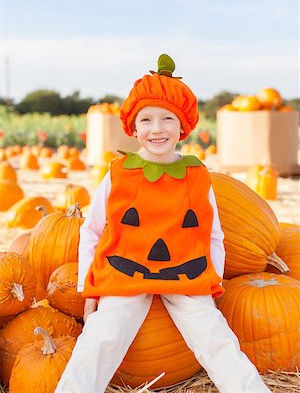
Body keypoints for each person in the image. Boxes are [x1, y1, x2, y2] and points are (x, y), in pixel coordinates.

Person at [55, 55, 271, 393]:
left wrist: (210, 281)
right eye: (147, 120)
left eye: (168, 119)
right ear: (133, 127)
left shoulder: (197, 177)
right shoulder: (117, 174)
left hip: (186, 271)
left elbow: (213, 235)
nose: (157, 129)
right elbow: (92, 231)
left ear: (183, 125)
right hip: (124, 271)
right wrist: (89, 286)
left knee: (214, 336)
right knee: (102, 335)